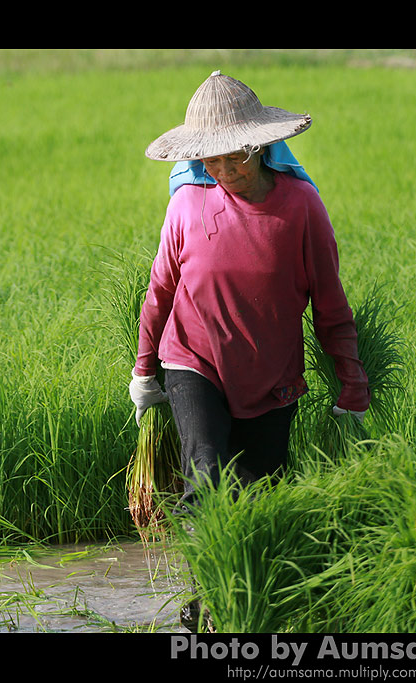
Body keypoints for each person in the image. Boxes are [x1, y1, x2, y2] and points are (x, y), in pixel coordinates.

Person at [130, 69, 370, 516]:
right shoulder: (186, 206)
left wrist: (353, 382)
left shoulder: (300, 207)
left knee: (262, 496)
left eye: (236, 157)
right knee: (204, 480)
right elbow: (160, 288)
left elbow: (330, 303)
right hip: (193, 360)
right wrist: (144, 371)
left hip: (272, 375)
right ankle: (207, 584)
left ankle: (252, 585)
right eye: (211, 161)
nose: (223, 171)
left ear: (261, 148)